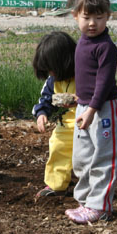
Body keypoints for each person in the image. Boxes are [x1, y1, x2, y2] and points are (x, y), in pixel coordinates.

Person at [65, 0, 117, 224]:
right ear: (75, 16)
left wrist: (91, 109)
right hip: (85, 106)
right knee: (82, 157)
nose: (92, 23)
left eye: (99, 18)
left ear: (108, 17)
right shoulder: (82, 42)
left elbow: (103, 81)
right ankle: (85, 200)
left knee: (103, 157)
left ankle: (100, 206)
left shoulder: (106, 47)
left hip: (104, 108)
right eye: (86, 17)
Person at [32, 31, 77, 197]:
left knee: (87, 155)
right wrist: (42, 113)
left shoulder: (85, 73)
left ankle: (90, 188)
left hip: (89, 119)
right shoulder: (53, 80)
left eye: (52, 69)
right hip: (68, 121)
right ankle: (56, 185)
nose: (50, 74)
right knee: (57, 145)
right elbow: (46, 98)